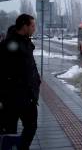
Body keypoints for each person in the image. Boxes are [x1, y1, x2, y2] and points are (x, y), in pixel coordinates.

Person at [0, 14, 41, 150]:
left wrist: (37, 81)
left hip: (27, 97)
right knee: (10, 131)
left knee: (30, 126)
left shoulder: (25, 43)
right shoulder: (8, 45)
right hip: (13, 97)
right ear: (25, 26)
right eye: (33, 26)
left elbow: (29, 68)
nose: (34, 28)